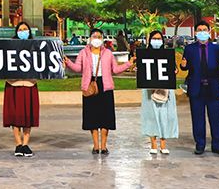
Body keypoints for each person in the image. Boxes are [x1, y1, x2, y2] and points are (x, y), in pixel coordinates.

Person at [64, 27, 135, 155]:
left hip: (105, 86)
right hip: (90, 86)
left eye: (99, 37)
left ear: (102, 39)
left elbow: (115, 70)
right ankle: (96, 145)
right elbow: (78, 68)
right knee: (92, 117)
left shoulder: (107, 53)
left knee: (105, 117)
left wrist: (128, 64)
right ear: (90, 39)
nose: (96, 39)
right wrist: (68, 62)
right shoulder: (83, 53)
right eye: (94, 36)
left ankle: (104, 145)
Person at [180, 21, 219, 156]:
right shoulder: (190, 49)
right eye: (199, 30)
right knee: (197, 118)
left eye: (204, 30)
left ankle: (217, 145)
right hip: (196, 87)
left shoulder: (218, 49)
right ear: (196, 33)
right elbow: (185, 67)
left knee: (215, 118)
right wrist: (183, 65)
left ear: (209, 31)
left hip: (213, 87)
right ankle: (200, 144)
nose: (202, 32)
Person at [2, 22, 40, 157]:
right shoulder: (9, 47)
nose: (23, 31)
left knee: (28, 116)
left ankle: (26, 144)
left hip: (29, 84)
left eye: (25, 29)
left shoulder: (36, 47)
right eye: (20, 29)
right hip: (14, 84)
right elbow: (0, 61)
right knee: (15, 116)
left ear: (29, 32)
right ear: (16, 32)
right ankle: (18, 144)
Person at [140, 30, 178, 155]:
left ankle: (163, 144)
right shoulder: (145, 54)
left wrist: (175, 71)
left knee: (165, 116)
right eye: (154, 38)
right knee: (151, 116)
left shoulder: (167, 54)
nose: (157, 41)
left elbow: (173, 69)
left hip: (165, 89)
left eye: (159, 38)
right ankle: (153, 144)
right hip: (149, 90)